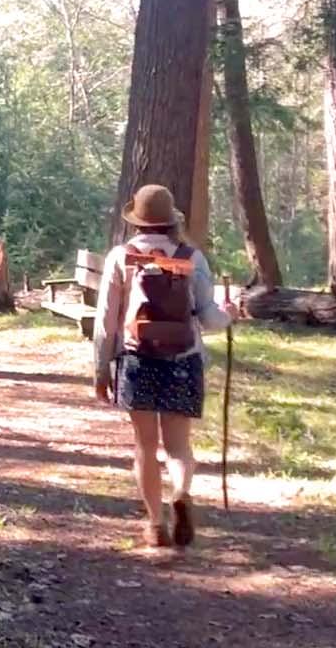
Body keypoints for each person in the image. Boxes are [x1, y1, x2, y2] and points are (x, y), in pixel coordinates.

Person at [92, 184, 231, 548]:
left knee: (144, 446)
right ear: (171, 220)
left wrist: (101, 368)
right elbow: (209, 317)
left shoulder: (121, 257)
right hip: (183, 361)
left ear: (136, 220)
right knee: (178, 446)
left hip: (136, 360)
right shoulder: (192, 257)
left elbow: (106, 320)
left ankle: (155, 523)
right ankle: (181, 492)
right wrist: (230, 314)